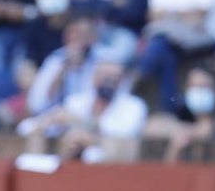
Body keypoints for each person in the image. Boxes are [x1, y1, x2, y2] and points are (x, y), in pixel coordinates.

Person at [132, 0, 215, 111]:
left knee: (159, 46)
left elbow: (199, 15)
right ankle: (169, 109)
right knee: (163, 49)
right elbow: (153, 14)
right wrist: (181, 15)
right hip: (167, 35)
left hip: (206, 36)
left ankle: (137, 80)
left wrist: (169, 14)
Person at [19, 50, 148, 160]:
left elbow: (123, 133)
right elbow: (26, 128)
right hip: (71, 156)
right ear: (94, 77)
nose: (109, 82)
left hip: (114, 162)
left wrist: (84, 126)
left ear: (121, 81)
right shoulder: (76, 102)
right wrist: (46, 122)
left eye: (115, 78)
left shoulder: (134, 106)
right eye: (105, 77)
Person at [143, 64, 215, 161]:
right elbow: (151, 126)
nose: (199, 91)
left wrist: (189, 131)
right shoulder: (182, 108)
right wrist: (177, 130)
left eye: (204, 86)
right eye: (194, 86)